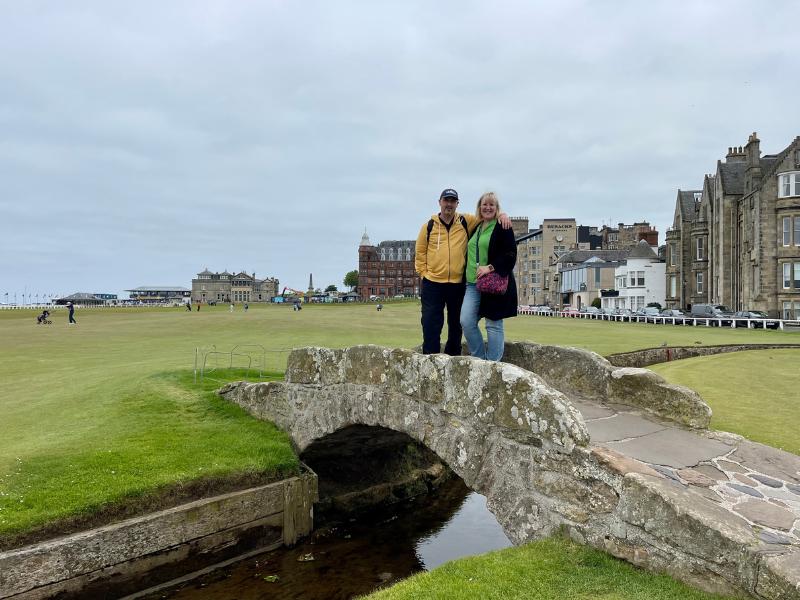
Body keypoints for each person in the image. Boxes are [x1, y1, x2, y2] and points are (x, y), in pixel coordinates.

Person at [414, 188, 512, 355]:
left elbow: (488, 215)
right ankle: (430, 361)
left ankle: (453, 361)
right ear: (440, 202)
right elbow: (420, 253)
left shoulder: (467, 221)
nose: (449, 204)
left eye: (453, 201)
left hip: (457, 284)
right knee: (431, 324)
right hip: (433, 283)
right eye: (446, 200)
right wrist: (424, 274)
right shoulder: (428, 227)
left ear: (457, 204)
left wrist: (503, 215)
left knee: (456, 326)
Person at [460, 192, 518, 361]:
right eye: (485, 204)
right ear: (479, 207)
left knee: (493, 324)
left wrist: (490, 267)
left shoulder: (502, 225)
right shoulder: (476, 227)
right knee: (466, 321)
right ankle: (479, 359)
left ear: (497, 208)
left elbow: (510, 254)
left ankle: (493, 364)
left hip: (492, 283)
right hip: (472, 283)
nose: (488, 207)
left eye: (492, 205)